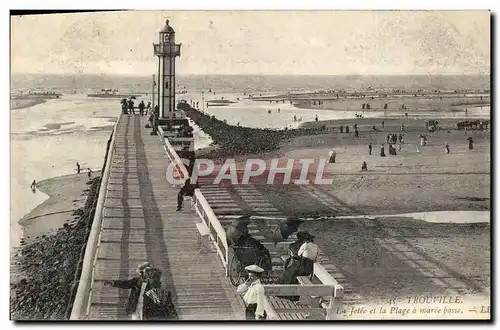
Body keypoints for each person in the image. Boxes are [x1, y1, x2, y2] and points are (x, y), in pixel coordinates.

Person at [104, 264, 176, 320]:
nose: (142, 274)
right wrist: (113, 283)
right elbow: (126, 284)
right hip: (136, 307)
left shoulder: (156, 286)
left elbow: (163, 302)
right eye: (142, 273)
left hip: (146, 309)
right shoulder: (137, 281)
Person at [279, 232, 318, 301]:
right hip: (309, 268)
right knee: (292, 272)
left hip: (302, 265)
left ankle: (288, 294)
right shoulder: (315, 246)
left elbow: (299, 254)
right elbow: (315, 259)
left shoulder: (305, 245)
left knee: (289, 272)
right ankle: (293, 295)